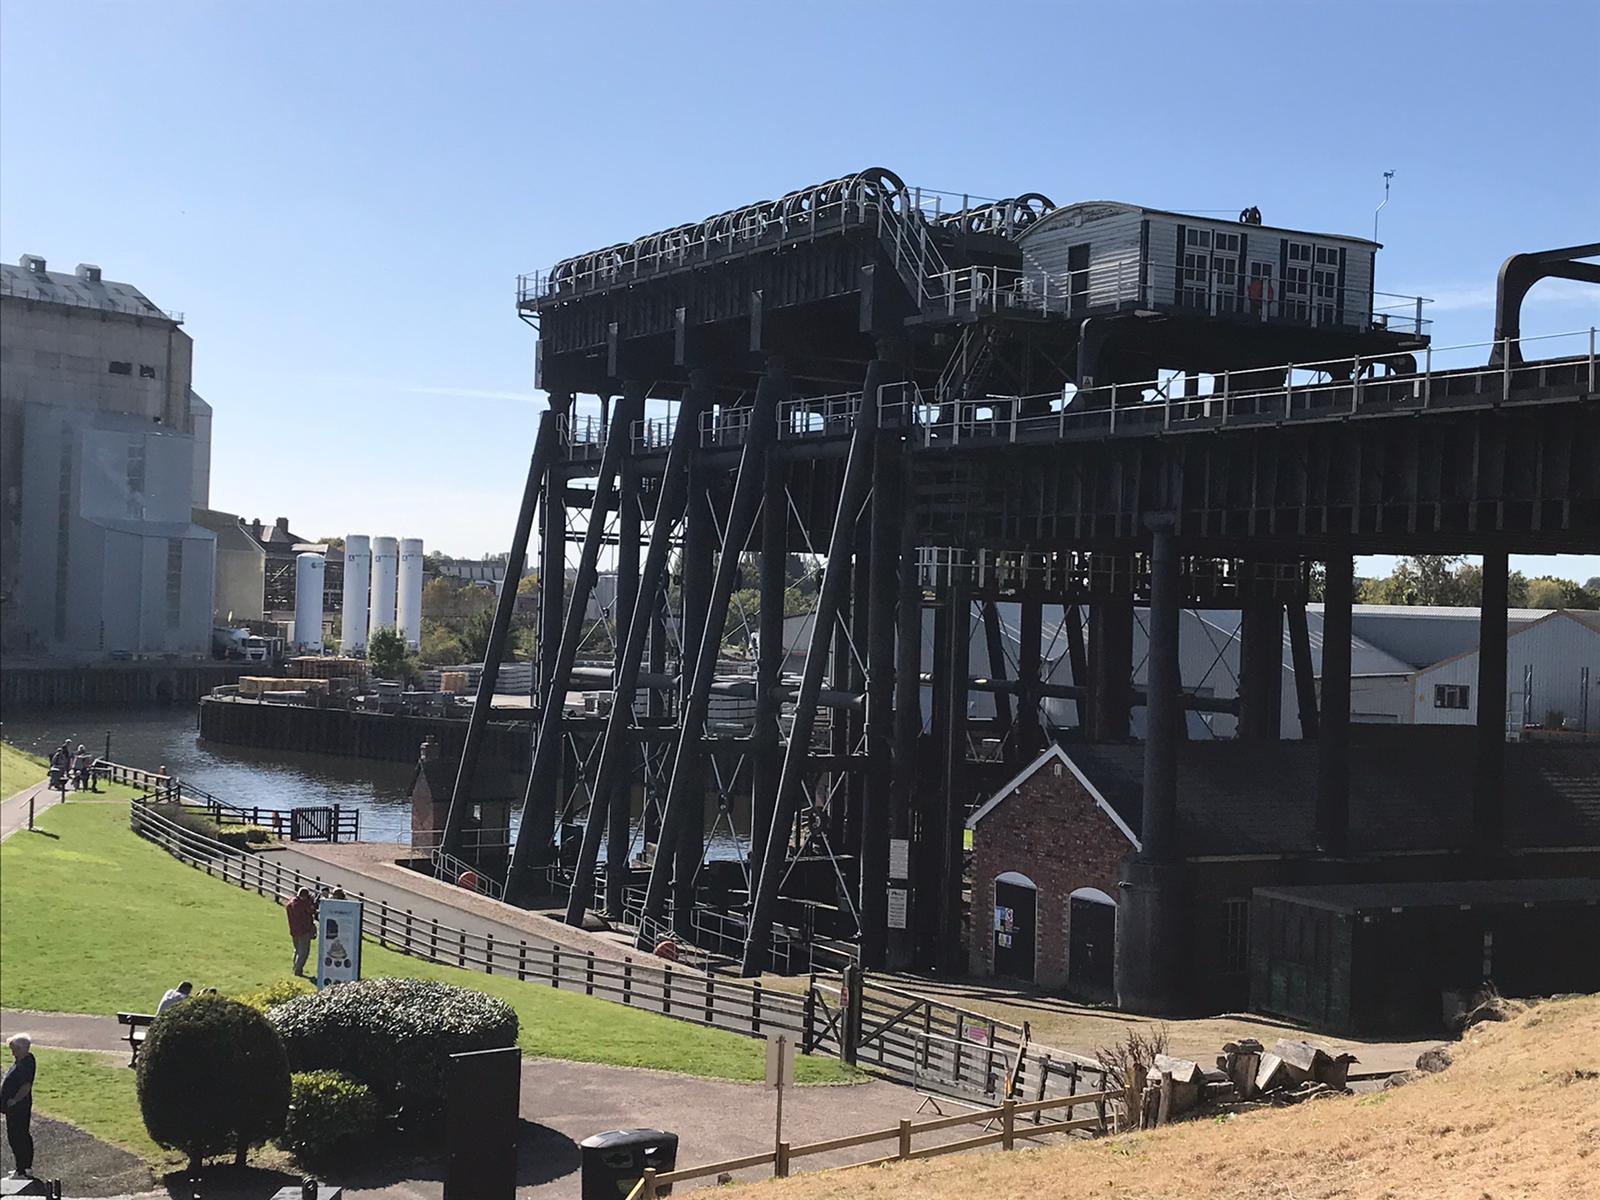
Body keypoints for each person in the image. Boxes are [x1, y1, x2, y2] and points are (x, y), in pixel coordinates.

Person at [2, 1033, 36, 1179]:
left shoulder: (25, 1064)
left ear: (21, 1048)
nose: (12, 1052)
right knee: (16, 1136)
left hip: (18, 1108)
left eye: (14, 1048)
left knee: (18, 1136)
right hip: (14, 1108)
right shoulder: (21, 1061)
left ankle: (23, 1169)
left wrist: (15, 1100)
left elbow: (26, 1086)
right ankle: (21, 1167)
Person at [286, 888, 318, 977]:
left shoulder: (290, 903)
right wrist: (311, 904)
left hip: (294, 930)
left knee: (297, 950)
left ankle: (295, 967)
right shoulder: (302, 905)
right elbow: (311, 911)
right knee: (303, 952)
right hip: (304, 930)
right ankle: (298, 970)